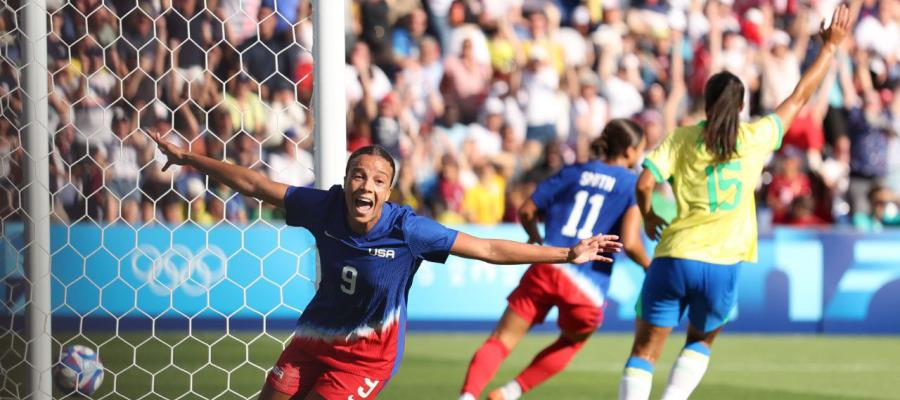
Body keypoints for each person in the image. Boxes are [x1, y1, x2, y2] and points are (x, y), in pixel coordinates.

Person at [149, 139, 623, 400]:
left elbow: (489, 250)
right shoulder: (324, 207)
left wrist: (566, 252)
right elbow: (255, 184)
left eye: (378, 180)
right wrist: (190, 159)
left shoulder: (408, 230)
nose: (366, 185)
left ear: (389, 191)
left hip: (365, 361)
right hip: (312, 342)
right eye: (359, 175)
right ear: (345, 180)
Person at [617, 6, 851, 400]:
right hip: (723, 264)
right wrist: (829, 49)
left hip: (675, 254)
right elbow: (798, 98)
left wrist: (650, 212)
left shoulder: (681, 138)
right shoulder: (754, 138)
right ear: (741, 107)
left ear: (706, 104)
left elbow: (643, 183)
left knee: (644, 352)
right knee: (700, 342)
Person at [459, 119, 652, 400]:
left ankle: (466, 397)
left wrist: (535, 238)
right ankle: (510, 392)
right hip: (588, 284)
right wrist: (649, 266)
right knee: (572, 342)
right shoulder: (631, 184)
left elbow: (526, 211)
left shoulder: (573, 171)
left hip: (549, 263)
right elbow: (631, 242)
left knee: (501, 340)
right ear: (630, 151)